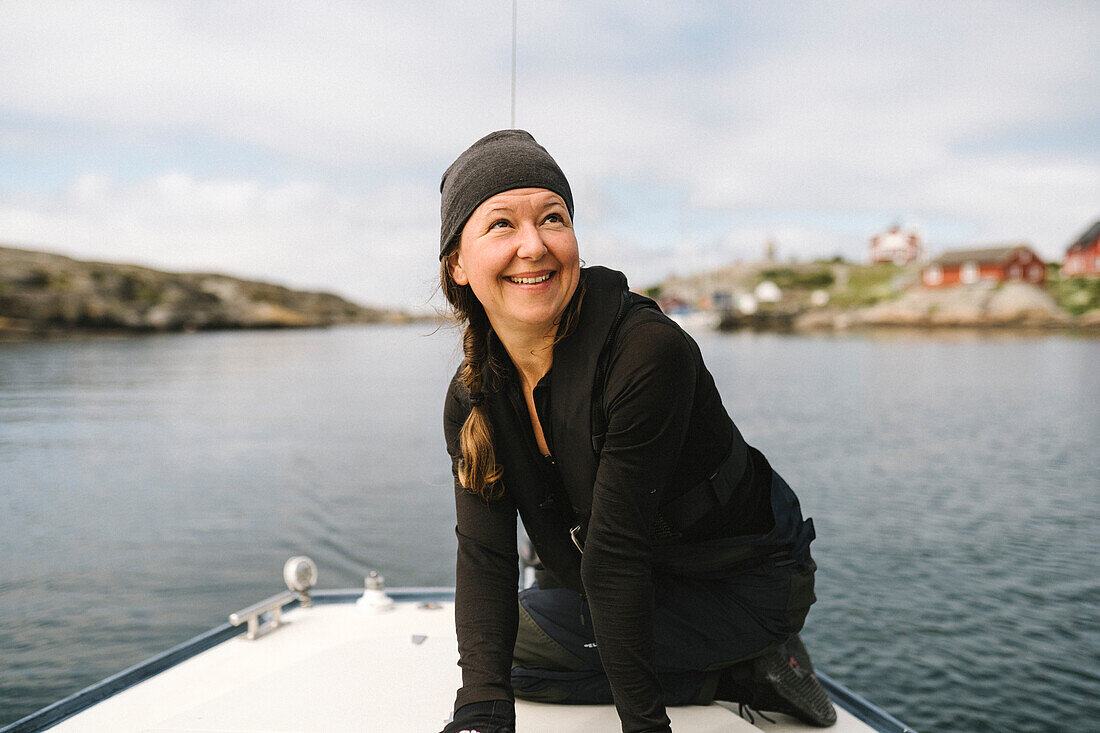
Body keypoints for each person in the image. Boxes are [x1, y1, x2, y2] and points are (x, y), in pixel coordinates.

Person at [438, 129, 836, 733]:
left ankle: (753, 665)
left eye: (553, 218)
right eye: (501, 225)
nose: (534, 246)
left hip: (743, 584)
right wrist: (480, 715)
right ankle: (719, 672)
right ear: (458, 265)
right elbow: (485, 555)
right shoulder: (474, 397)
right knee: (495, 653)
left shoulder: (646, 353)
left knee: (526, 645)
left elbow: (614, 559)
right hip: (636, 579)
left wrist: (646, 726)